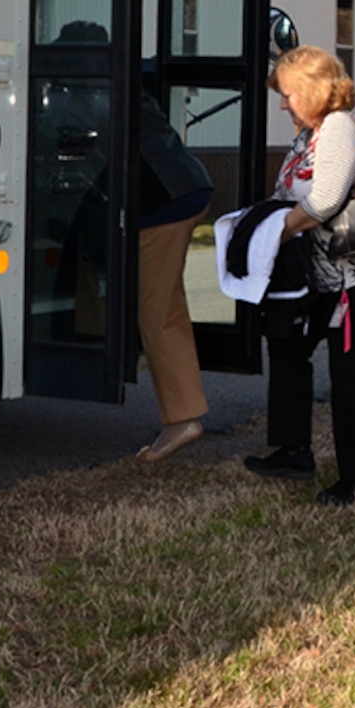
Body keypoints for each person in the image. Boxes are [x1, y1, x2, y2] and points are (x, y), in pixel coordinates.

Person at [244, 46, 355, 505]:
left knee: (349, 367)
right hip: (320, 273)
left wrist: (278, 229)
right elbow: (285, 192)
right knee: (288, 345)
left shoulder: (337, 128)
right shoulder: (307, 134)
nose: (281, 104)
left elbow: (325, 202)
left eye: (288, 94)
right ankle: (294, 451)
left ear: (312, 91)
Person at [135, 90, 215, 462]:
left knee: (156, 311)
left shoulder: (91, 91)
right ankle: (182, 409)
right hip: (189, 188)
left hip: (163, 202)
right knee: (167, 305)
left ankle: (181, 420)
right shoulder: (133, 93)